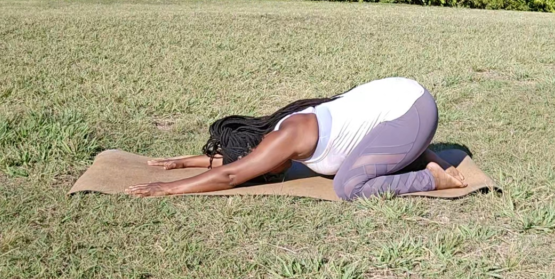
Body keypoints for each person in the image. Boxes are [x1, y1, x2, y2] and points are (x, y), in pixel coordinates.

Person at [126, 77, 467, 201]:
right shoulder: (274, 131)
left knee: (349, 186)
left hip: (411, 110)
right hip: (398, 95)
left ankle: (432, 176)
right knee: (342, 169)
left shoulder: (284, 140)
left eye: (266, 171)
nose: (270, 175)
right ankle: (418, 151)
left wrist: (168, 187)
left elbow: (231, 175)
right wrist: (185, 161)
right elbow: (239, 164)